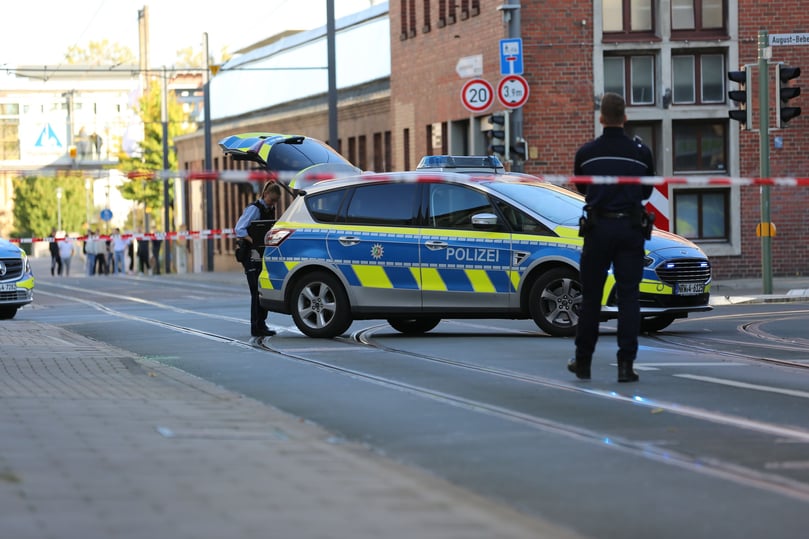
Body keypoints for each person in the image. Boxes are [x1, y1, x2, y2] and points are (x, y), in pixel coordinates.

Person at [568, 93, 655, 383]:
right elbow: (646, 192)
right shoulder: (641, 153)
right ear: (625, 118)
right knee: (629, 296)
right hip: (630, 230)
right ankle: (626, 366)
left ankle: (583, 362)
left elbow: (582, 189)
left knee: (591, 297)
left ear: (601, 117)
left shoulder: (587, 153)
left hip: (598, 230)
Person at [234, 181, 281, 337]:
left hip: (262, 254)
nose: (273, 204)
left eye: (275, 201)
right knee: (256, 290)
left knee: (262, 290)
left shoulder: (269, 209)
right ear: (265, 195)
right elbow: (239, 229)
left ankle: (262, 324)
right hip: (251, 254)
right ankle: (256, 326)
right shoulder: (254, 209)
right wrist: (252, 240)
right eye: (271, 200)